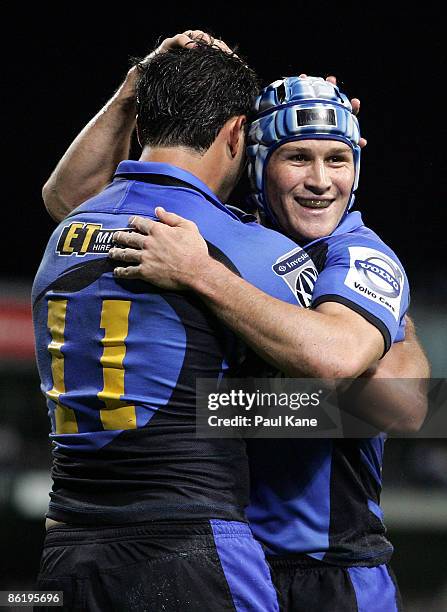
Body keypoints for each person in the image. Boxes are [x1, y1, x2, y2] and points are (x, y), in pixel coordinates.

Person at [40, 33, 429, 611]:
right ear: (253, 155)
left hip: (330, 570)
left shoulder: (359, 256)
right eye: (299, 157)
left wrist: (218, 403)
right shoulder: (230, 234)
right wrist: (136, 93)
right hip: (226, 554)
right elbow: (72, 199)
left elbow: (407, 406)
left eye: (337, 159)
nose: (321, 181)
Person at [32, 41, 313, 612]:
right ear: (237, 133)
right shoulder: (244, 246)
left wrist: (136, 83)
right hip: (192, 551)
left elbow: (60, 193)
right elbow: (353, 376)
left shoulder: (67, 231)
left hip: (65, 550)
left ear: (141, 122)